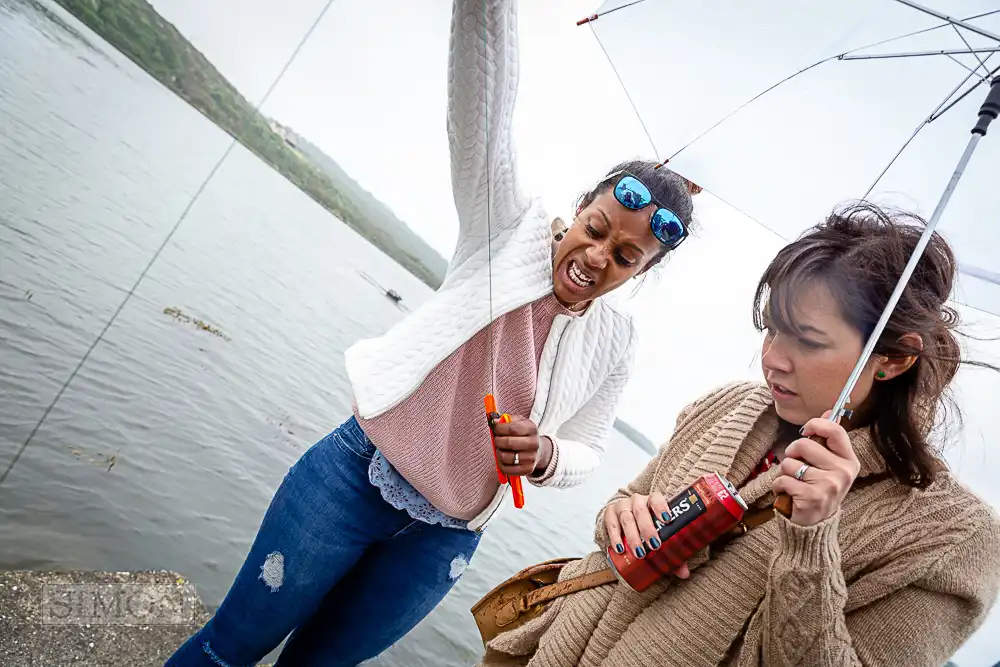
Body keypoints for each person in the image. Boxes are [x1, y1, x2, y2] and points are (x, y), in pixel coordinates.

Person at [166, 0, 694, 665]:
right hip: (354, 474)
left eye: (625, 257)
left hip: (442, 540)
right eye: (597, 230)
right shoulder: (506, 227)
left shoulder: (616, 342)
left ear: (643, 270)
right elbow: (481, 112)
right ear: (580, 208)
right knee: (228, 647)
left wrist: (544, 453)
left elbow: (587, 446)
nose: (597, 258)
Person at [477, 202, 1000, 667]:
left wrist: (811, 540)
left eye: (808, 341)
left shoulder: (955, 539)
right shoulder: (731, 404)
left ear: (894, 358)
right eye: (771, 327)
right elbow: (623, 505)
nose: (772, 360)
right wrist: (620, 516)